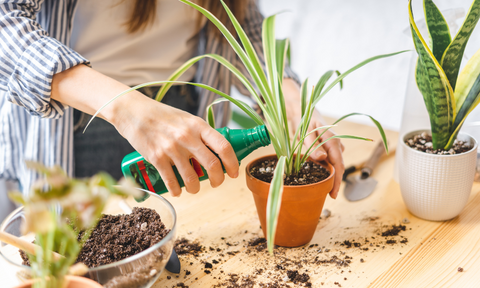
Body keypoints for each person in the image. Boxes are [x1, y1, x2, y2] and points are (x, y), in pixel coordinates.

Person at [0, 0, 345, 203]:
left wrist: (287, 96)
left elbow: (245, 25)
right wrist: (127, 108)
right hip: (80, 124)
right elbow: (6, 23)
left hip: (184, 118)